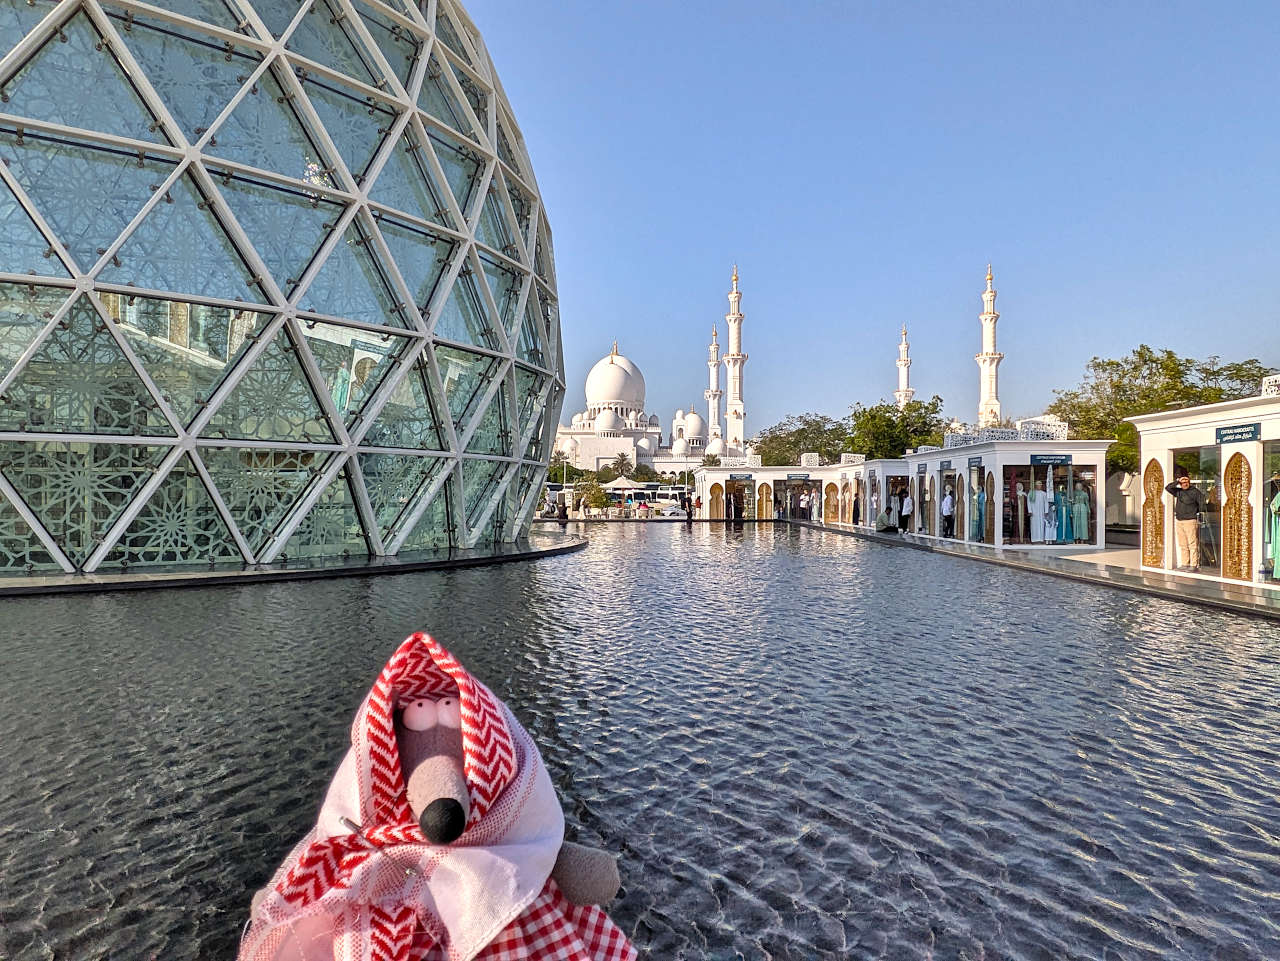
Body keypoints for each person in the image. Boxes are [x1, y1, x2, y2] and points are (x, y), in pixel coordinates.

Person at [1165, 473, 1209, 571]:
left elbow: (1202, 502)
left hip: (1190, 520)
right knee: (1183, 544)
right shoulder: (1178, 492)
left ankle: (1194, 564)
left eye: (1186, 482)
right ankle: (1185, 563)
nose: (1184, 484)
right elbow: (1168, 488)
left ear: (1189, 482)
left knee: (1192, 543)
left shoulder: (1195, 492)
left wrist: (1196, 512)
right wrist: (1177, 481)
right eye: (1183, 482)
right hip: (1180, 520)